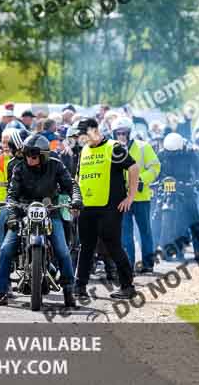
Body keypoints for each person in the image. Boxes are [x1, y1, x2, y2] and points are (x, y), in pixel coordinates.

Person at [0, 134, 82, 307]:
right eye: (26, 154)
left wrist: (76, 199)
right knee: (5, 249)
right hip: (23, 210)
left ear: (43, 155)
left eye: (33, 155)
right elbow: (11, 195)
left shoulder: (56, 165)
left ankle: (69, 291)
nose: (29, 159)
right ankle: (2, 292)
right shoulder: (18, 168)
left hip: (50, 210)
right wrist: (11, 215)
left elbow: (71, 185)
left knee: (63, 250)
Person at [73, 117, 138, 300]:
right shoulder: (83, 150)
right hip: (87, 206)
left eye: (84, 134)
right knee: (85, 247)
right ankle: (80, 287)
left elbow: (133, 168)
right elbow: (78, 177)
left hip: (110, 206)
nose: (81, 138)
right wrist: (76, 200)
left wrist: (130, 196)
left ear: (94, 130)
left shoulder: (113, 147)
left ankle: (127, 286)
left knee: (113, 245)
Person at [111, 117, 160, 273]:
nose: (121, 136)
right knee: (125, 233)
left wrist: (142, 179)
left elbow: (155, 166)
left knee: (145, 231)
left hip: (141, 197)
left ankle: (148, 264)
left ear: (130, 133)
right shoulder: (111, 149)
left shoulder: (143, 147)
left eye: (124, 133)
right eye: (117, 133)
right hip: (122, 199)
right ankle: (129, 265)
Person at [156, 132, 199, 261]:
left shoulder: (189, 153)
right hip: (165, 186)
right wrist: (153, 180)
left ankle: (198, 249)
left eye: (174, 153)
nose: (172, 155)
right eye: (169, 152)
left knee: (194, 218)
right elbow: (155, 169)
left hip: (186, 187)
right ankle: (156, 245)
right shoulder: (162, 154)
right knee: (154, 214)